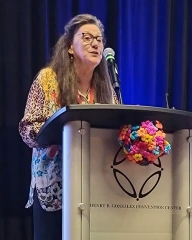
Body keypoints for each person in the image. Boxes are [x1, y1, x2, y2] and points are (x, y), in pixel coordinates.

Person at [19, 14, 118, 240]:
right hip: (54, 185)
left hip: (95, 185)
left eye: (99, 40)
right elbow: (27, 128)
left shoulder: (106, 88)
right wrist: (57, 133)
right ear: (70, 47)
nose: (95, 44)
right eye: (86, 37)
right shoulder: (48, 79)